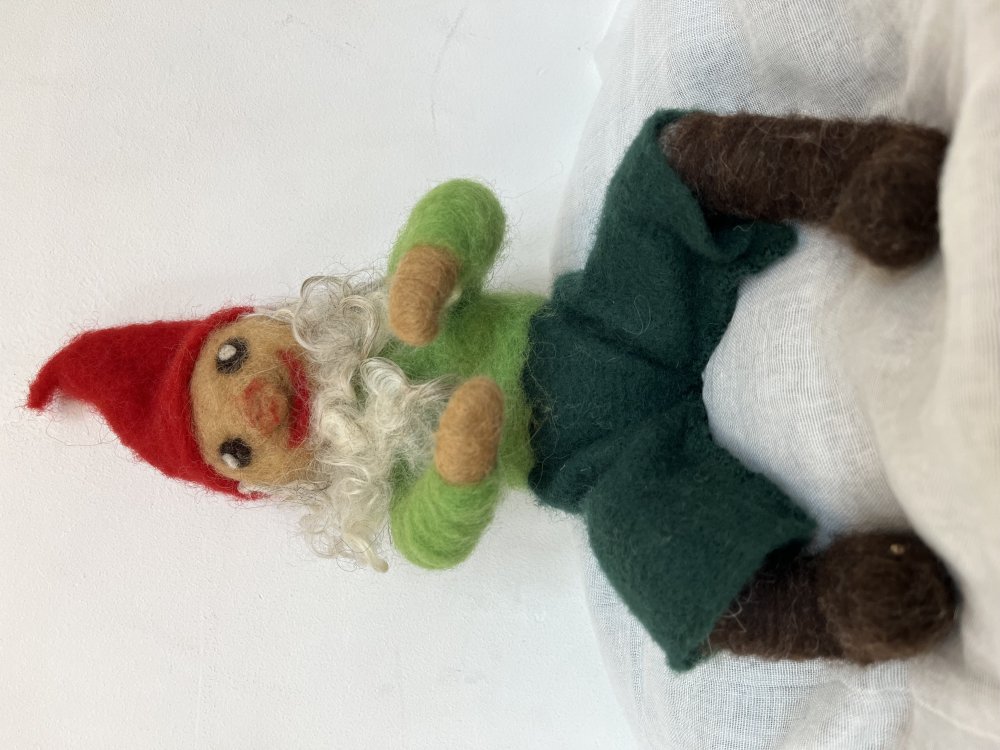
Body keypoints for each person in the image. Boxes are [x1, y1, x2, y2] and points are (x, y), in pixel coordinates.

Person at [28, 110, 956, 671]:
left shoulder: (388, 315)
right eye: (236, 449)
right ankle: (841, 605)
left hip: (605, 322)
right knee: (657, 577)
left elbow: (464, 205)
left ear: (262, 321)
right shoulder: (383, 484)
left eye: (230, 360)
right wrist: (458, 472)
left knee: (667, 162)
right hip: (597, 463)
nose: (256, 405)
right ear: (263, 484)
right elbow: (430, 542)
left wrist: (431, 262)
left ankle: (857, 175)